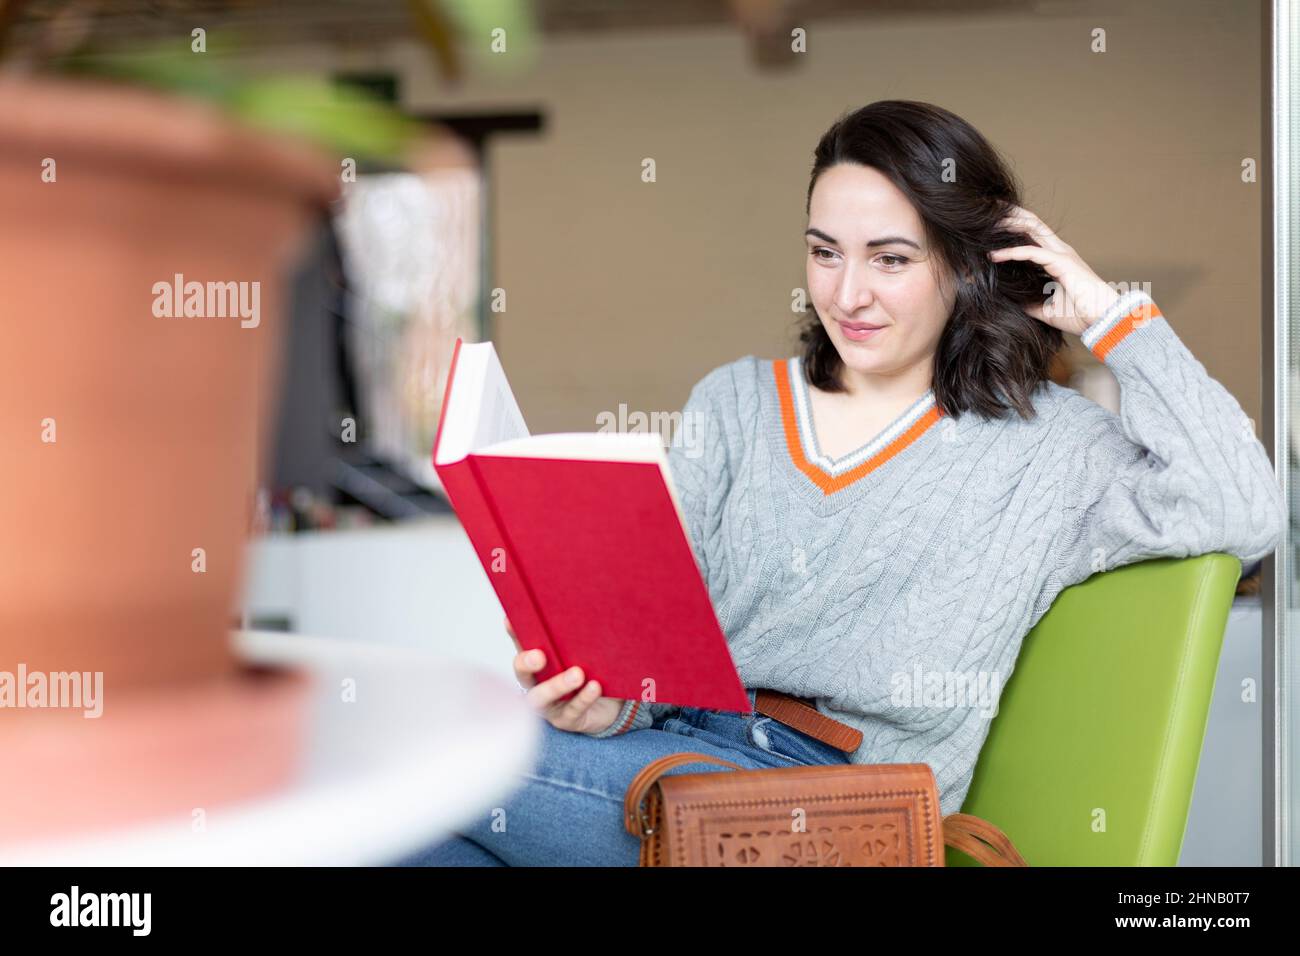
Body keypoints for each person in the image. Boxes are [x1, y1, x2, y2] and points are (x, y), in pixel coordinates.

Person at [397, 100, 1289, 866]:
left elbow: (1243, 506)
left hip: (841, 813)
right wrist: (605, 710)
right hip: (672, 761)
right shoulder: (738, 401)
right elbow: (667, 649)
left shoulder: (1052, 450)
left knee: (424, 765)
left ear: (966, 264)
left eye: (891, 259)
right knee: (418, 840)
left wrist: (1111, 315)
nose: (848, 292)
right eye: (826, 252)